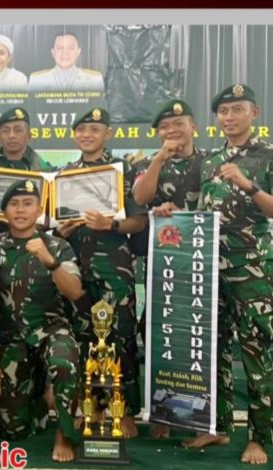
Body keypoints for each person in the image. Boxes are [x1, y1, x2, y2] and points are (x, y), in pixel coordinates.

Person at [183, 84, 273, 466]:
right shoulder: (208, 160)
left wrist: (249, 185)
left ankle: (259, 437)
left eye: (238, 109)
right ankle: (215, 426)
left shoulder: (268, 156)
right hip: (208, 269)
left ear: (254, 113)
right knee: (211, 350)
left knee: (256, 352)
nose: (230, 117)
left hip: (252, 271)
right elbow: (195, 211)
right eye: (223, 111)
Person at [55, 107, 147, 438]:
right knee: (83, 338)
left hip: (114, 270)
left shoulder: (123, 171)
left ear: (108, 133)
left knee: (120, 338)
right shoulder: (64, 175)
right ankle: (89, 407)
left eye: (95, 129)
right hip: (77, 269)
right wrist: (59, 231)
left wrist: (111, 224)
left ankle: (125, 412)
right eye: (81, 130)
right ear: (74, 135)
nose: (87, 135)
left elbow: (140, 221)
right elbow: (53, 225)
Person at [0, 179, 83, 462]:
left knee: (64, 362)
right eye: (14, 204)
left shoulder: (59, 246)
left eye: (28, 204)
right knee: (13, 430)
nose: (20, 210)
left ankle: (64, 434)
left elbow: (75, 292)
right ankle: (41, 399)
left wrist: (50, 260)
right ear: (4, 212)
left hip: (51, 330)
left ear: (39, 210)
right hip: (12, 338)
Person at [129, 98, 206, 440]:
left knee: (199, 336)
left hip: (204, 262)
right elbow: (141, 198)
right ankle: (163, 413)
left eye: (179, 123)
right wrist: (159, 158)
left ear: (194, 127)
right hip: (164, 263)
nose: (172, 130)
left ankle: (201, 417)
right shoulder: (147, 163)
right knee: (160, 334)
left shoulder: (211, 162)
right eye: (164, 127)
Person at [0, 107, 55, 238]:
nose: (11, 135)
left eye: (18, 130)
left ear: (29, 136)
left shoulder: (47, 174)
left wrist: (44, 222)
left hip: (34, 243)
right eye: (6, 131)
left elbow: (51, 216)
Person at [28, 32, 104, 92]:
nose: (65, 53)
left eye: (71, 48)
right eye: (60, 48)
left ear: (78, 52)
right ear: (53, 52)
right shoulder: (37, 80)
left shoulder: (94, 79)